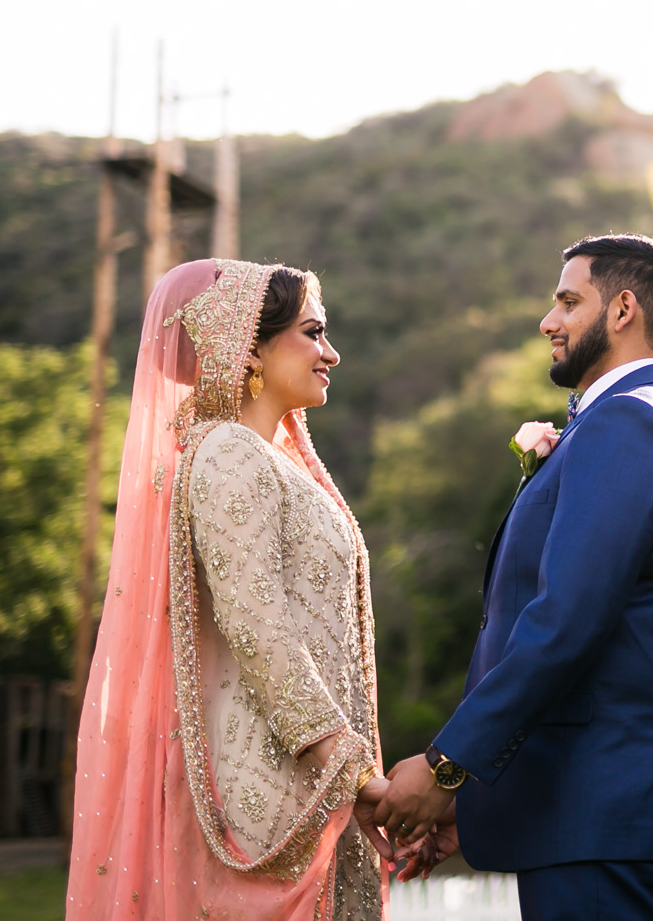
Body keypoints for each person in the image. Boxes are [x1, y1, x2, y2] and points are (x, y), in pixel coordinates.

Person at [374, 233, 653, 919]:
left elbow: (565, 621)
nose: (549, 321)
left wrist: (448, 765)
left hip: (606, 798)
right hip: (587, 802)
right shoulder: (631, 418)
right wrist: (484, 798)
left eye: (569, 301)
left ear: (625, 308)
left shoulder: (627, 421)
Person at [68, 259, 403, 919]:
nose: (330, 353)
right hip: (278, 786)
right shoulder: (227, 453)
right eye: (313, 333)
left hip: (313, 777)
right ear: (250, 344)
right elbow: (259, 628)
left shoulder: (267, 457)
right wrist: (355, 771)